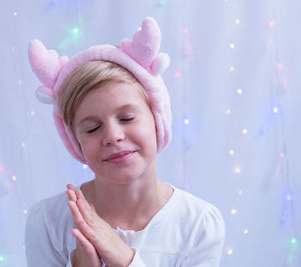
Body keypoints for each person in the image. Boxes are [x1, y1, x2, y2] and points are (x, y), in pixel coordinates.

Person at [25, 17, 225, 267]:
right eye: (93, 128)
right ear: (75, 141)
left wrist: (124, 259)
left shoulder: (199, 223)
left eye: (127, 117)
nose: (112, 136)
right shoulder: (47, 222)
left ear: (157, 119)